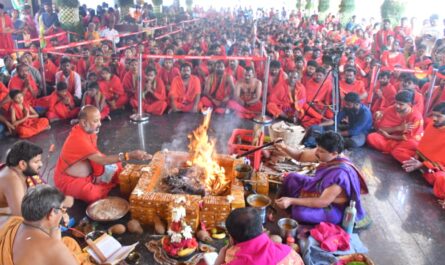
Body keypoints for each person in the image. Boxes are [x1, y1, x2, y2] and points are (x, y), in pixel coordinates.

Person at [54, 105, 151, 203]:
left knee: (116, 167)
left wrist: (97, 172)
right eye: (96, 121)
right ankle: (102, 186)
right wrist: (129, 155)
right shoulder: (79, 139)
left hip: (91, 170)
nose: (100, 124)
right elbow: (102, 160)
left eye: (99, 120)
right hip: (69, 180)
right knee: (92, 195)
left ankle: (101, 181)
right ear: (84, 122)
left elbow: (94, 152)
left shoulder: (87, 130)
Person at [276, 131, 368, 225]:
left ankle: (292, 202)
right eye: (317, 148)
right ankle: (293, 201)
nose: (316, 152)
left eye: (321, 151)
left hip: (332, 207)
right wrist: (284, 147)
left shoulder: (340, 174)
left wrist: (291, 200)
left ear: (334, 153)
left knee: (299, 212)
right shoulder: (327, 154)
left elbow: (322, 202)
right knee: (292, 178)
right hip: (320, 188)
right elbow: (300, 156)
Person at [0, 185, 90, 265]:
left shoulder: (15, 221)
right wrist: (56, 243)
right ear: (51, 213)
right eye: (62, 210)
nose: (63, 214)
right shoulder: (54, 247)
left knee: (68, 242)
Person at [214, 207, 303, 265]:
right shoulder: (289, 253)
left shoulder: (232, 260)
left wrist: (219, 259)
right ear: (262, 228)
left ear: (232, 239)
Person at [367, 90, 424, 163]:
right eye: (396, 102)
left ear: (409, 104)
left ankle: (412, 159)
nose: (397, 105)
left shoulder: (416, 116)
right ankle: (396, 151)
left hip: (405, 141)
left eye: (401, 104)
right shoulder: (390, 109)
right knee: (372, 137)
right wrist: (399, 128)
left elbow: (411, 138)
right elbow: (381, 129)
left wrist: (389, 136)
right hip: (391, 139)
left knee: (410, 144)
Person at [402, 102, 445, 199]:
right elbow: (423, 145)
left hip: (436, 168)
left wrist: (423, 165)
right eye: (434, 115)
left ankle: (419, 169)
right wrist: (416, 158)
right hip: (423, 161)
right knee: (400, 150)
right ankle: (418, 167)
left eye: (439, 116)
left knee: (441, 178)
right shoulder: (431, 125)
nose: (434, 118)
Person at [304, 92, 372, 149]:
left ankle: (329, 141)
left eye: (348, 104)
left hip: (361, 133)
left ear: (357, 104)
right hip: (349, 128)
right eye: (346, 104)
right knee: (326, 127)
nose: (346, 106)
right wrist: (319, 125)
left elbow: (354, 131)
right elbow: (334, 120)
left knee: (352, 143)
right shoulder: (348, 108)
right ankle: (320, 141)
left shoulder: (365, 113)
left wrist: (335, 134)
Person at [0, 141, 44, 226]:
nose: (41, 164)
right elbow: (22, 217)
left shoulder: (17, 168)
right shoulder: (12, 180)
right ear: (22, 164)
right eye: (36, 162)